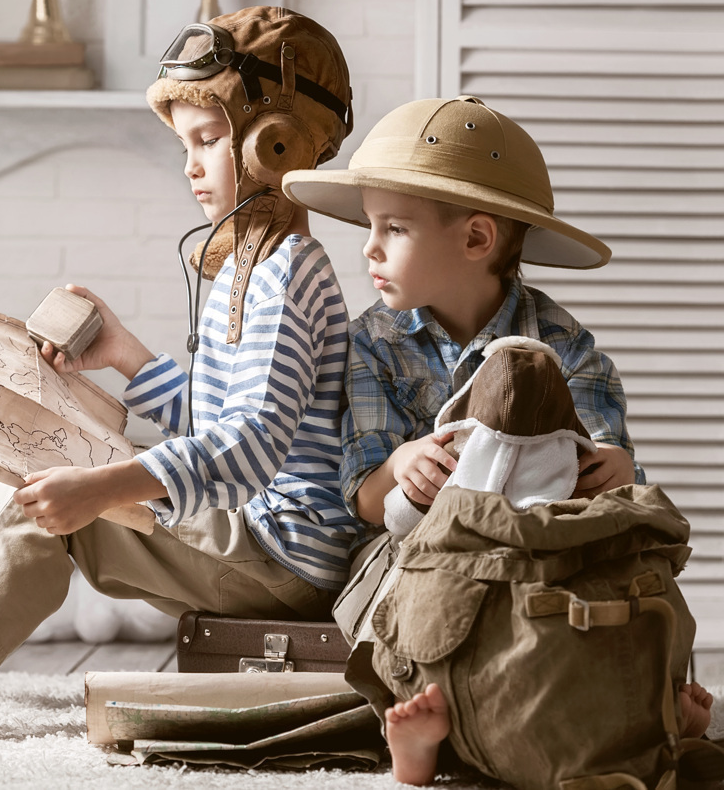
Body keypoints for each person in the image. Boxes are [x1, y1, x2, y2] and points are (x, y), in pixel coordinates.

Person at [0, 7, 357, 742]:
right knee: (14, 463)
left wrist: (103, 485)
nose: (191, 164)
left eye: (209, 140)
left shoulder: (286, 273)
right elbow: (218, 419)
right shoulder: (244, 268)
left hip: (279, 556)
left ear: (276, 145)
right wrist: (126, 354)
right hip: (251, 533)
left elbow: (251, 446)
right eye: (184, 145)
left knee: (44, 483)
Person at [282, 95, 712, 783]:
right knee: (394, 601)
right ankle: (423, 738)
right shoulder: (374, 344)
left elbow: (610, 484)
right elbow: (365, 500)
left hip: (543, 552)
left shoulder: (564, 345)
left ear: (477, 239)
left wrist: (618, 466)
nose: (368, 247)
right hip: (434, 553)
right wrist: (398, 464)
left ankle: (652, 709)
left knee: (621, 587)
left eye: (392, 228)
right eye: (370, 226)